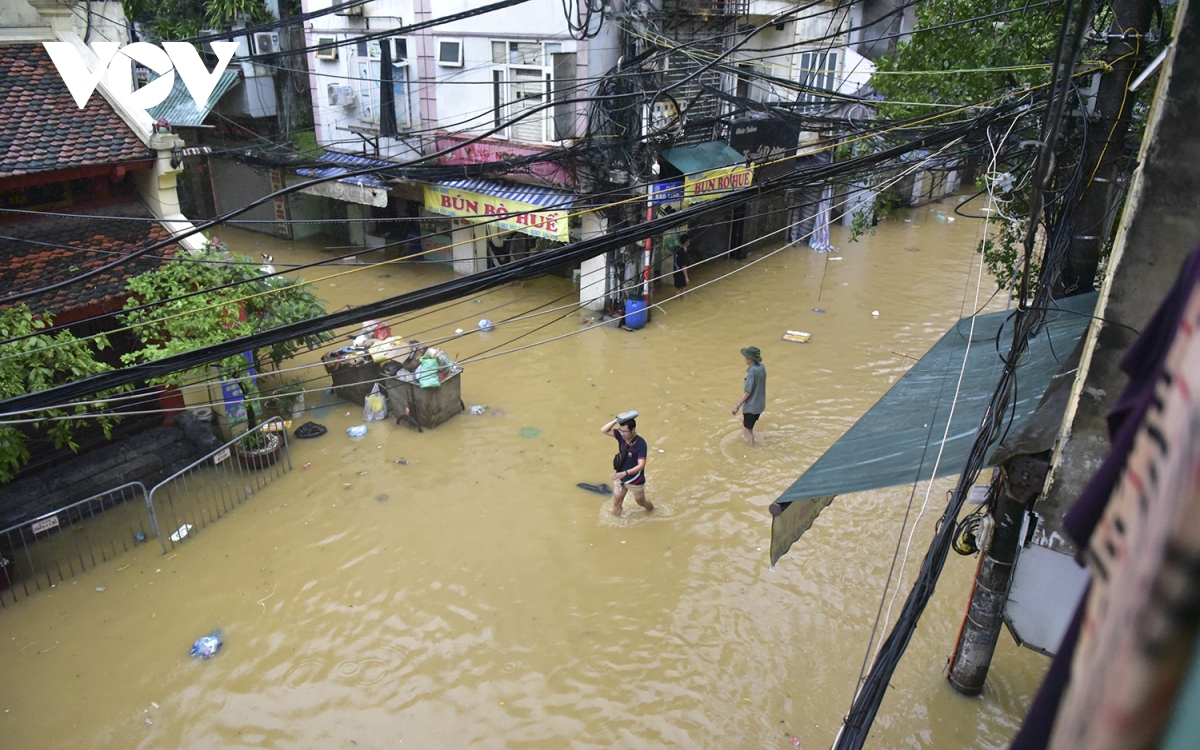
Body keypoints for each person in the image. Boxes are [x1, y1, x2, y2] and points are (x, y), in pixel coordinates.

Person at [600, 413, 653, 517]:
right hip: (620, 476)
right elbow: (604, 430)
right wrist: (617, 420)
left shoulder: (641, 444)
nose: (622, 433)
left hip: (635, 478)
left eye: (625, 431)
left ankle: (653, 511)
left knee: (641, 502)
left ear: (633, 430)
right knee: (616, 502)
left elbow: (641, 465)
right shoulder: (621, 436)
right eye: (620, 430)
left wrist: (625, 473)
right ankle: (615, 523)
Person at [732, 346, 766, 447]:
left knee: (748, 430)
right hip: (760, 405)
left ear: (750, 359)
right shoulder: (762, 367)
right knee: (742, 419)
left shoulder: (752, 372)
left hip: (752, 407)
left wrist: (737, 405)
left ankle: (752, 447)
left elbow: (748, 392)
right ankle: (746, 437)